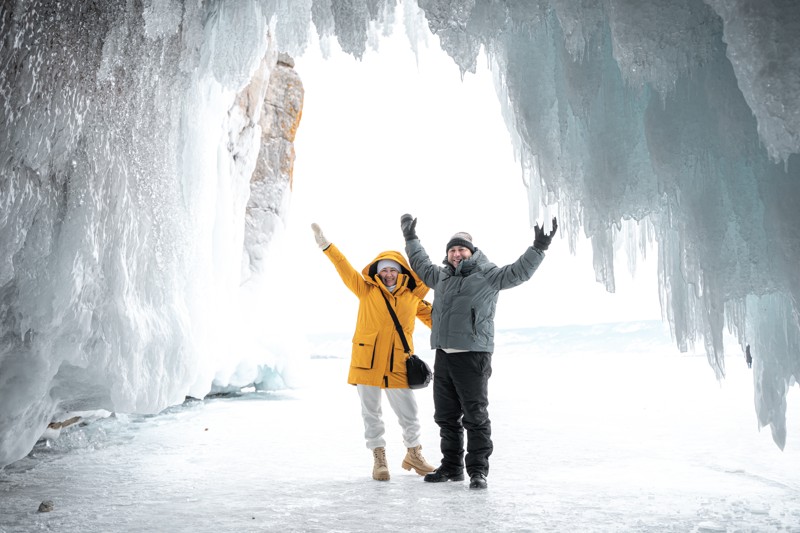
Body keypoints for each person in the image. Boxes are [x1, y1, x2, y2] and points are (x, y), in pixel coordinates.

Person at [399, 213, 558, 490]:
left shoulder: (489, 275)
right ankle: (451, 468)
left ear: (471, 252)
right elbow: (421, 264)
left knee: (475, 415)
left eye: (461, 249)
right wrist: (411, 238)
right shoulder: (442, 276)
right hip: (444, 355)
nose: (456, 253)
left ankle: (477, 471)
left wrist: (539, 247)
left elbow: (519, 272)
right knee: (446, 416)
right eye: (452, 250)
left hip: (473, 354)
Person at [311, 222, 436, 481]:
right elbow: (344, 268)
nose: (389, 274)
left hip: (399, 364)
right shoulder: (365, 290)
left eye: (393, 270)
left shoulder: (412, 297)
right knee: (371, 413)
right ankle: (379, 459)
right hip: (366, 363)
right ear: (378, 273)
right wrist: (326, 245)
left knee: (409, 413)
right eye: (385, 270)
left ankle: (414, 453)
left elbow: (438, 320)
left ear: (401, 272)